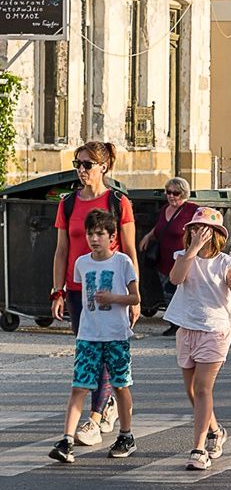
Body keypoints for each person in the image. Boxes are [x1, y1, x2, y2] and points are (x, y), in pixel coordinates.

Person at [51, 141, 138, 447]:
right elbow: (62, 250)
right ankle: (104, 406)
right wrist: (57, 290)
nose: (81, 170)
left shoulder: (118, 202)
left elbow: (129, 250)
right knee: (88, 349)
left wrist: (134, 294)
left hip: (111, 291)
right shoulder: (68, 203)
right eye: (78, 163)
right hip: (77, 290)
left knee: (104, 352)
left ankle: (96, 416)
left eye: (87, 164)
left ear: (104, 166)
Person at [164, 207, 231, 471]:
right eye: (194, 229)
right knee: (192, 391)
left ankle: (198, 448)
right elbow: (175, 278)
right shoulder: (184, 256)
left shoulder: (224, 261)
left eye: (204, 230)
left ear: (216, 235)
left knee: (204, 388)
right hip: (186, 327)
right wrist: (192, 249)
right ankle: (216, 430)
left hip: (215, 330)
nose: (198, 233)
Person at [139, 177, 198, 337]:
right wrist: (148, 236)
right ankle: (174, 324)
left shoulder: (192, 210)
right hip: (163, 260)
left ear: (184, 193)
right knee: (168, 294)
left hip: (181, 261)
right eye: (168, 192)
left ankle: (184, 324)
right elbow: (160, 228)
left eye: (176, 193)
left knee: (182, 294)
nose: (171, 196)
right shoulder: (165, 209)